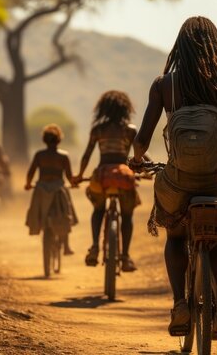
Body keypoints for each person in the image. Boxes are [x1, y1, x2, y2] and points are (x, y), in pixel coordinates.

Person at [131, 16, 217, 339]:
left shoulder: (164, 86)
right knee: (216, 240)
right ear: (215, 44)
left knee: (175, 236)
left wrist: (137, 161)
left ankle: (179, 306)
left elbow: (141, 141)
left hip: (178, 182)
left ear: (180, 47)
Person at [72, 90, 141, 272]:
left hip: (101, 177)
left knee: (98, 209)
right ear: (126, 109)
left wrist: (79, 175)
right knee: (127, 215)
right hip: (124, 176)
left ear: (103, 109)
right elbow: (141, 153)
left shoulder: (98, 130)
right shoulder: (130, 130)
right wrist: (147, 168)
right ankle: (125, 257)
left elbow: (87, 155)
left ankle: (95, 246)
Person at [25, 124, 77, 255]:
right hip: (58, 189)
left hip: (41, 188)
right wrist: (74, 183)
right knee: (66, 213)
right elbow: (69, 177)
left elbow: (30, 173)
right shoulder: (63, 156)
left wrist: (28, 184)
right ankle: (66, 246)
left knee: (36, 210)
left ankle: (37, 225)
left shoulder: (39, 155)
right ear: (59, 140)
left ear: (44, 140)